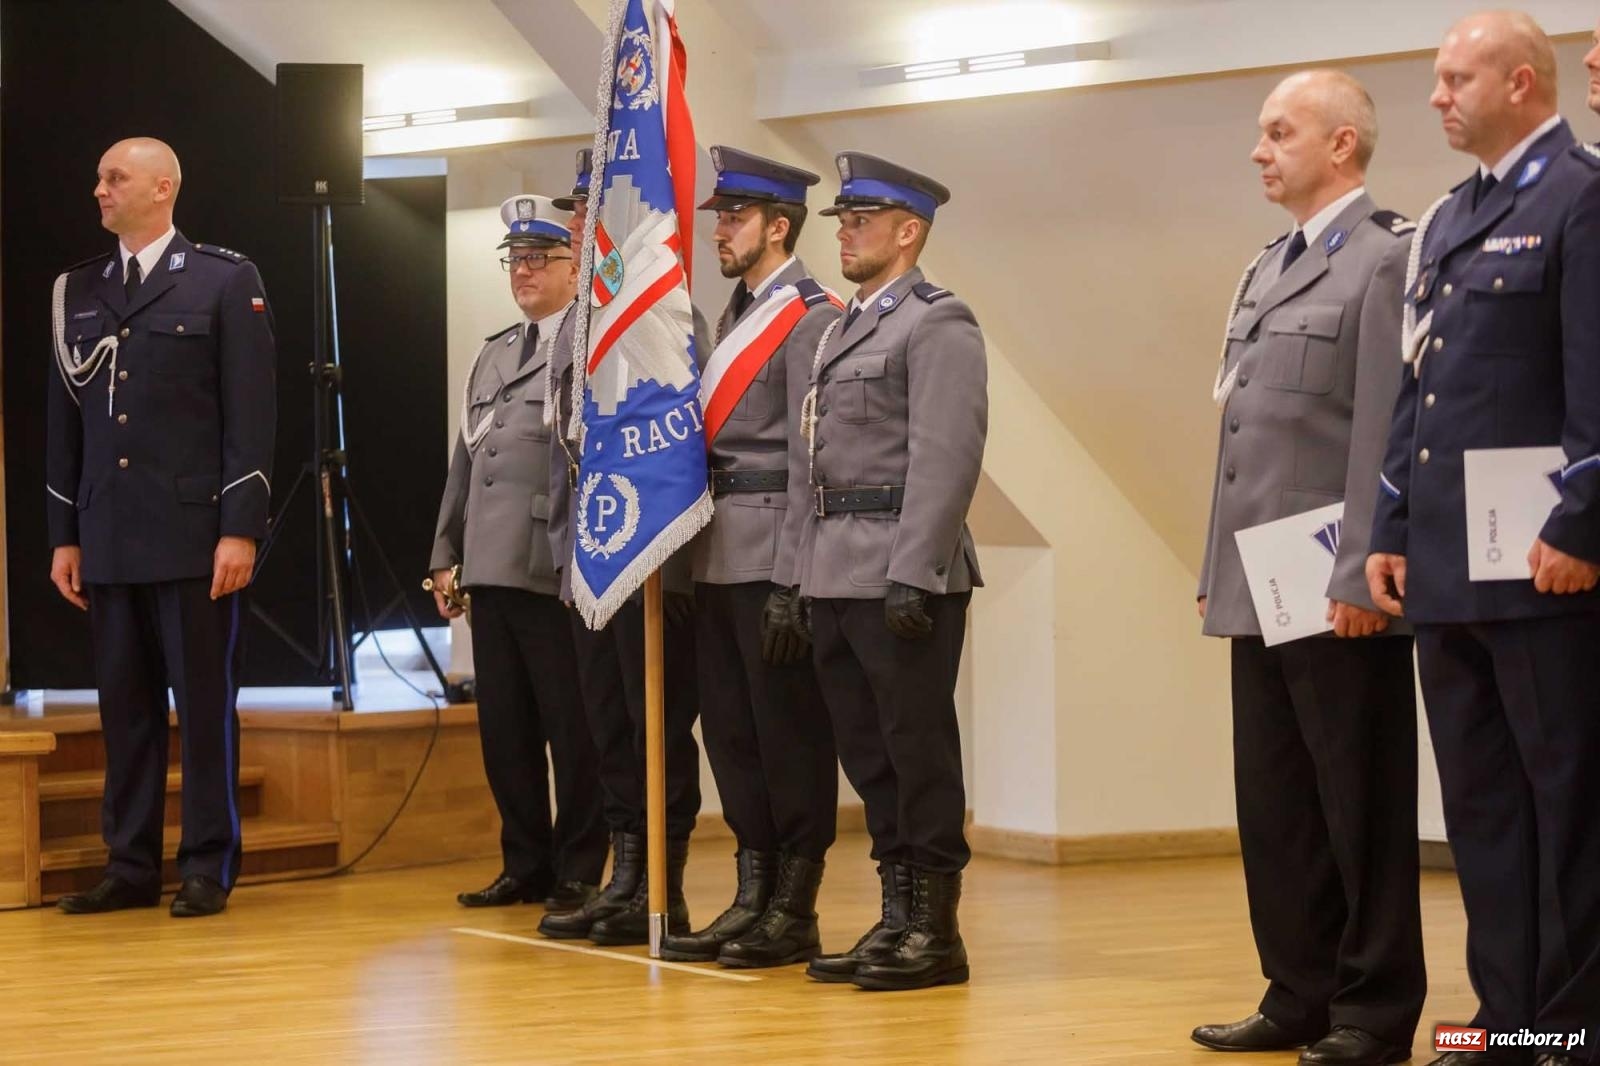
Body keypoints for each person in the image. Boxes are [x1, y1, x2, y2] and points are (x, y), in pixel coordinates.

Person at [1365, 12, 1600, 1065]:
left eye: (1456, 77)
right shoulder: (1451, 215)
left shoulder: (1581, 196)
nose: (1435, 95)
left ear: (1519, 80)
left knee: (1568, 807)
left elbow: (1596, 376)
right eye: (1434, 77)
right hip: (1452, 570)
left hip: (1545, 565)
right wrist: (1391, 525)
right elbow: (1422, 384)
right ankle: (1506, 1017)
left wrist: (1582, 517)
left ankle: (1571, 1022)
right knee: (1481, 812)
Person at [1190, 70, 1424, 1066]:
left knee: (1358, 804)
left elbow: (1385, 428)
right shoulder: (1263, 268)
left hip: (1334, 583)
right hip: (1258, 577)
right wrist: (1213, 564)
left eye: (1278, 132)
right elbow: (1238, 430)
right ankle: (1297, 989)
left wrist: (1361, 570)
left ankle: (1371, 1011)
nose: (1258, 149)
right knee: (1275, 800)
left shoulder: (1384, 259)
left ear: (1339, 145)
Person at [47, 137, 275, 918]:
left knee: (203, 707)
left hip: (191, 535)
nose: (99, 189)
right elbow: (64, 426)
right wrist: (64, 533)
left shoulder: (221, 279)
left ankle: (208, 862)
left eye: (115, 178)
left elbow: (251, 416)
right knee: (126, 708)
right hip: (108, 535)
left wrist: (239, 528)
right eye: (100, 176)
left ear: (163, 186)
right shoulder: (78, 289)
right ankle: (130, 863)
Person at [793, 151, 985, 992]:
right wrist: (800, 574)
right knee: (868, 755)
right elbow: (814, 461)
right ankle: (896, 915)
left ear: (909, 232)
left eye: (863, 221)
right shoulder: (840, 326)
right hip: (835, 570)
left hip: (902, 573)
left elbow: (946, 455)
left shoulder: (937, 322)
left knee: (917, 750)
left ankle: (936, 931)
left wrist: (915, 569)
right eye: (842, 221)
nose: (848, 234)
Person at [657, 146, 841, 968]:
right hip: (716, 550)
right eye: (719, 218)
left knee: (787, 735)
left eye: (734, 219)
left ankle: (794, 909)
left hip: (772, 551)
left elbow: (811, 459)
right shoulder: (733, 316)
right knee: (732, 735)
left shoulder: (809, 315)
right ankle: (752, 892)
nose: (719, 233)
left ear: (779, 225)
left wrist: (796, 576)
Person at [537, 148, 705, 946]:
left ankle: (662, 885)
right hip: (592, 551)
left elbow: (670, 441)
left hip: (648, 557)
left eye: (586, 208)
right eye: (574, 210)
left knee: (653, 727)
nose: (576, 223)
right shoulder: (579, 318)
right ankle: (626, 871)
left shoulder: (661, 310)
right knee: (607, 723)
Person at [429, 194, 607, 912]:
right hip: (491, 564)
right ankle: (524, 861)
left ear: (575, 267)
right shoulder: (499, 349)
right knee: (506, 729)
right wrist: (446, 549)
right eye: (515, 260)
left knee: (572, 728)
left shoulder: (591, 348)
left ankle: (578, 867)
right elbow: (468, 460)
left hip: (553, 565)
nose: (524, 272)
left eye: (540, 259)